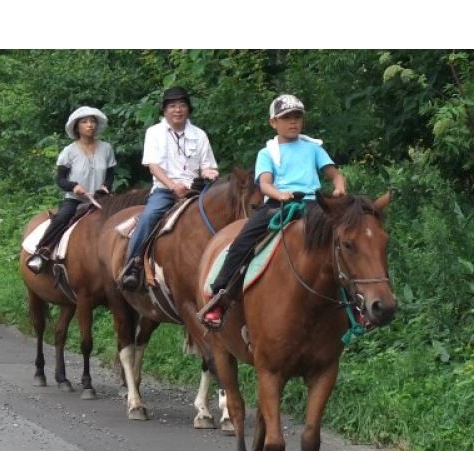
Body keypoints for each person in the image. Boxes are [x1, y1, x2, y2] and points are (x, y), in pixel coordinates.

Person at [199, 94, 347, 328]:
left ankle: (355, 306)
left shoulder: (313, 148)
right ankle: (220, 295)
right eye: (286, 117)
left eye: (297, 117)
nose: (293, 122)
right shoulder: (267, 153)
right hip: (279, 203)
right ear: (273, 123)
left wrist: (339, 188)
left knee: (348, 241)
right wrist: (279, 194)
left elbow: (335, 174)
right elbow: (265, 183)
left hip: (314, 204)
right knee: (243, 242)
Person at [119, 86, 219, 291]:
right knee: (149, 216)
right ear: (164, 110)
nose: (178, 110)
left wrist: (210, 173)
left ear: (188, 109)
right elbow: (153, 166)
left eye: (182, 105)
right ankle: (133, 263)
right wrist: (173, 186)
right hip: (165, 190)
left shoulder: (199, 135)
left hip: (196, 190)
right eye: (172, 106)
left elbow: (208, 164)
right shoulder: (154, 133)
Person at [26, 106, 117, 274]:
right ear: (77, 127)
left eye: (92, 121)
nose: (90, 125)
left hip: (101, 198)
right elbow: (60, 180)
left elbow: (110, 174)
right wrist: (74, 186)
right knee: (63, 217)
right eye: (85, 122)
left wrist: (106, 186)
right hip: (75, 199)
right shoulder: (69, 152)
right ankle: (43, 251)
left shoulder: (106, 148)